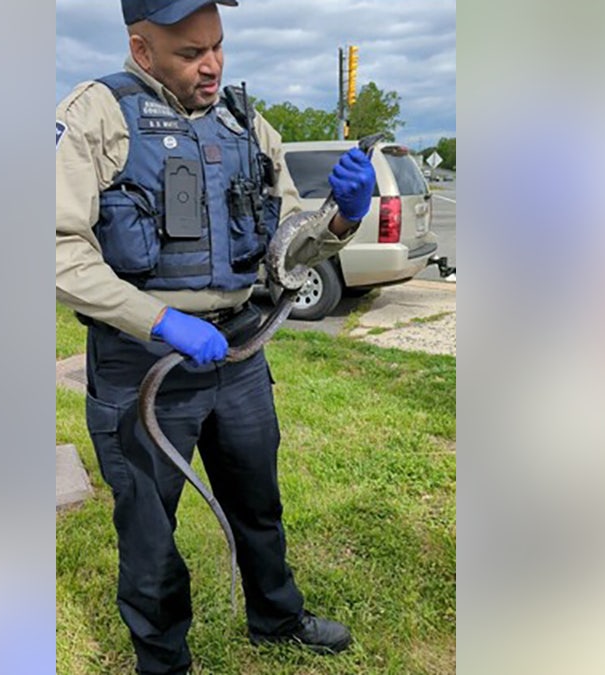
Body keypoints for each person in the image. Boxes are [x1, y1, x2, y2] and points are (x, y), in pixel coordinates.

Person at [56, 0, 376, 672]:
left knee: (258, 501)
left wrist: (340, 220)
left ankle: (276, 616)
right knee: (149, 532)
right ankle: (164, 659)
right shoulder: (95, 117)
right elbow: (55, 247)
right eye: (190, 53)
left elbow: (287, 247)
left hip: (238, 354)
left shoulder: (244, 123)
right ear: (142, 51)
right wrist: (157, 319)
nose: (212, 65)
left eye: (218, 46)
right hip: (141, 365)